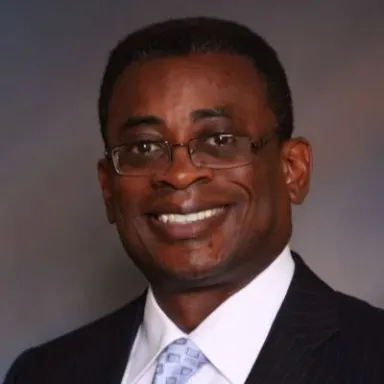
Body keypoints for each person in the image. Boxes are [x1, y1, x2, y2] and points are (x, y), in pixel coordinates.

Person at [4, 16, 384, 384]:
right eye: (144, 146)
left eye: (219, 141)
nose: (179, 174)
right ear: (108, 187)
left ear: (292, 170)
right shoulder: (43, 373)